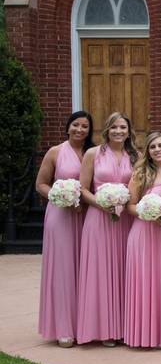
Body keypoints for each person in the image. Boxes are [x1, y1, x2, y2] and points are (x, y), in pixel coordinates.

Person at [76, 112, 139, 346]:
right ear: (106, 130)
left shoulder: (135, 156)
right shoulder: (93, 154)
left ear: (129, 131)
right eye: (114, 127)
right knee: (100, 272)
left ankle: (123, 327)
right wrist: (102, 204)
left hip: (125, 220)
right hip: (97, 218)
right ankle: (102, 329)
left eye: (123, 127)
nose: (119, 131)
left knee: (124, 271)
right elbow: (83, 189)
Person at [36, 110, 94, 347]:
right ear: (68, 127)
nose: (79, 130)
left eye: (85, 126)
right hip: (60, 216)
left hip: (86, 218)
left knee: (85, 269)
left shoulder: (93, 153)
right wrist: (60, 197)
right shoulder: (55, 152)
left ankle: (85, 324)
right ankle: (63, 327)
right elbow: (41, 184)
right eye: (76, 125)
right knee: (63, 270)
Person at [123, 132, 161, 348]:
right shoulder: (140, 173)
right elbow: (130, 205)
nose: (157, 150)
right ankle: (144, 335)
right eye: (153, 147)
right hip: (143, 232)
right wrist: (148, 213)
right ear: (148, 151)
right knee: (145, 282)